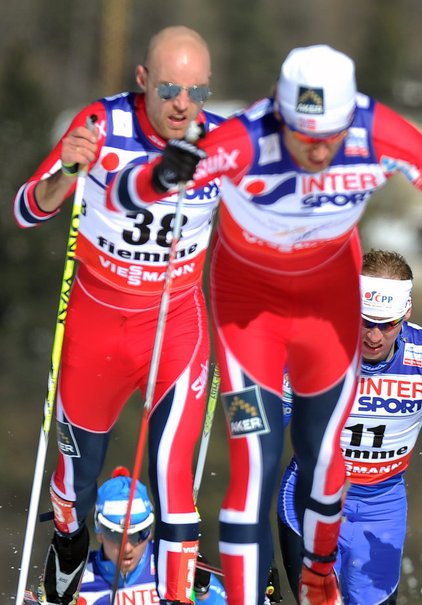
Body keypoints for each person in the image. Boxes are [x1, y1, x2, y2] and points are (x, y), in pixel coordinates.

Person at [108, 44, 422, 605]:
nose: (316, 151)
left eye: (329, 138)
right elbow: (130, 196)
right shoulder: (245, 137)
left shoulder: (376, 129)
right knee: (254, 461)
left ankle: (318, 570)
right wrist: (162, 175)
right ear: (280, 114)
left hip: (323, 310)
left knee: (324, 457)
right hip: (249, 314)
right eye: (304, 137)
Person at [14, 26, 224, 605]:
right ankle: (69, 547)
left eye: (198, 92)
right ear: (143, 81)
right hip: (98, 330)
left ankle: (179, 593)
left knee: (175, 484)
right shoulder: (101, 124)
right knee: (76, 491)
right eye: (170, 90)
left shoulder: (223, 141)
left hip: (178, 328)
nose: (183, 105)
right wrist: (65, 170)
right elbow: (26, 210)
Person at [275, 249, 422, 605]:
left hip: (383, 505)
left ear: (406, 313)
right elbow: (256, 435)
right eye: (365, 321)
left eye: (387, 324)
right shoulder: (316, 347)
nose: (374, 336)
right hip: (312, 494)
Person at [65, 468, 227, 605]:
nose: (127, 548)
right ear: (99, 532)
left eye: (138, 535)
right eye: (115, 536)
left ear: (149, 531)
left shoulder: (172, 561)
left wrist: (203, 595)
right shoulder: (76, 578)